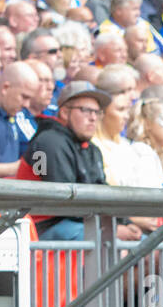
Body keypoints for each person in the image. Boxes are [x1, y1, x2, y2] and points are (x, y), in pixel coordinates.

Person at [27, 81, 110, 240]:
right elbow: (63, 202)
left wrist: (125, 222)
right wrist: (107, 227)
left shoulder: (92, 149)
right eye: (86, 110)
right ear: (64, 113)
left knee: (146, 244)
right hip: (42, 228)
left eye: (97, 112)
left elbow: (103, 192)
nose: (93, 118)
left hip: (78, 223)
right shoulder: (48, 142)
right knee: (106, 242)